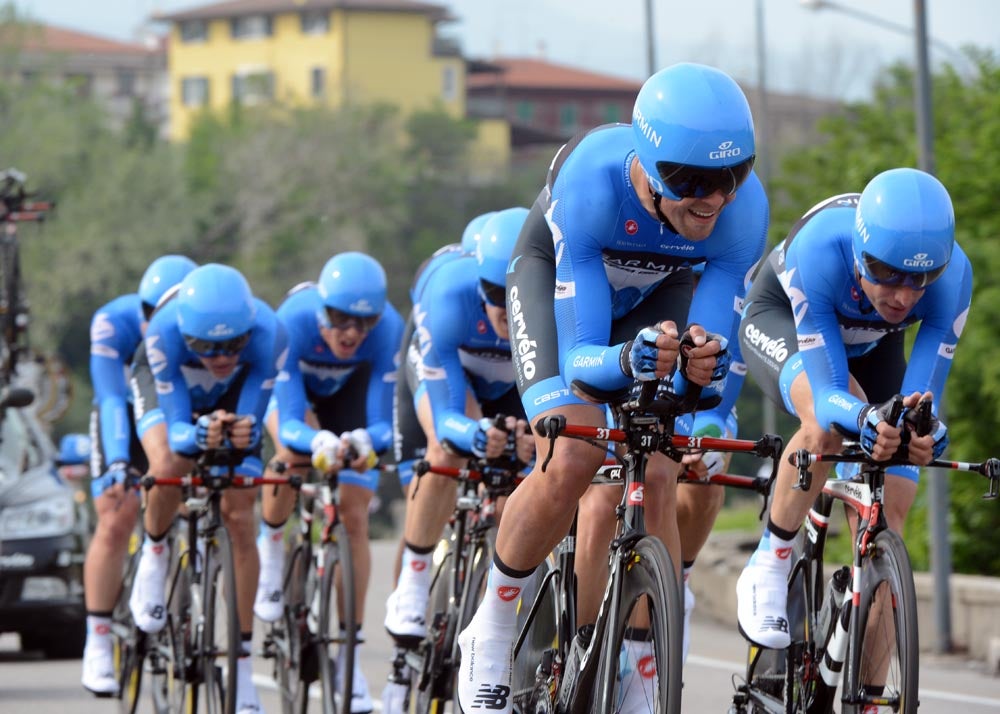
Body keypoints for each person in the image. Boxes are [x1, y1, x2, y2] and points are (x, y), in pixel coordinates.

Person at [456, 61, 769, 714]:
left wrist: (703, 408)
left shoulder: (741, 218)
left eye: (731, 177)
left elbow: (710, 364)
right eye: (691, 181)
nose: (712, 198)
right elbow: (581, 364)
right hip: (565, 290)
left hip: (658, 294)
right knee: (572, 453)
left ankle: (640, 661)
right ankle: (493, 622)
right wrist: (631, 360)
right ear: (648, 166)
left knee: (663, 461)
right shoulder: (593, 184)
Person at [735, 168, 968, 654]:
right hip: (786, 322)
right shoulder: (820, 250)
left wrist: (925, 429)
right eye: (887, 274)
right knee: (826, 428)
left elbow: (922, 394)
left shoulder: (952, 278)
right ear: (861, 255)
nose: (904, 295)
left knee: (892, 515)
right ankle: (770, 562)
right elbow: (829, 393)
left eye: (920, 278)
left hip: (875, 344)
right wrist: (865, 420)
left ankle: (871, 700)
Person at [382, 208, 535, 712]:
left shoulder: (549, 303)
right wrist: (475, 433)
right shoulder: (448, 295)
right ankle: (415, 579)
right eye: (494, 295)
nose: (504, 310)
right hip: (449, 385)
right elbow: (446, 414)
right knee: (443, 453)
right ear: (478, 282)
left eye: (515, 296)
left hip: (515, 387)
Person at [128, 263, 286, 714]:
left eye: (232, 345)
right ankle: (155, 555)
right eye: (206, 347)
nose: (220, 357)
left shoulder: (270, 333)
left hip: (232, 401)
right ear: (186, 334)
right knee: (168, 463)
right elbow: (178, 427)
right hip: (173, 401)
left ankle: (240, 665)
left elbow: (253, 422)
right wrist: (199, 437)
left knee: (239, 512)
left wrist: (242, 432)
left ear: (249, 330)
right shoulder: (162, 333)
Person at [253, 251, 404, 714]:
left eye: (364, 322)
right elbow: (289, 413)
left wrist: (360, 440)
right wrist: (316, 439)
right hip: (297, 403)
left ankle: (350, 658)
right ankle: (273, 547)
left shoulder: (389, 331)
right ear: (321, 312)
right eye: (340, 320)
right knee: (291, 457)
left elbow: (383, 422)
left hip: (349, 402)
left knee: (355, 511)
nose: (352, 333)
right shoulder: (291, 323)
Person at [80, 254, 196, 696]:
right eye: (150, 313)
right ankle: (98, 638)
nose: (156, 323)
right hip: (125, 421)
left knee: (192, 498)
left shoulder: (199, 329)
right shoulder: (113, 322)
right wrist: (116, 464)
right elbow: (111, 398)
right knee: (115, 514)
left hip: (175, 416)